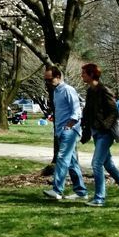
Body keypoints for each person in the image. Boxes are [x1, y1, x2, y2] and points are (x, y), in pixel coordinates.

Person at [81, 63, 119, 207]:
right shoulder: (90, 91)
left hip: (105, 133)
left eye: (84, 73)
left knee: (96, 163)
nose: (81, 75)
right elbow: (87, 112)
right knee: (108, 165)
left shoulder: (104, 90)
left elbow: (114, 111)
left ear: (92, 74)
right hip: (96, 132)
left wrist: (105, 126)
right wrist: (85, 127)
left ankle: (99, 198)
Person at [42, 66, 89, 202]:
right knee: (72, 162)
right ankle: (81, 191)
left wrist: (68, 126)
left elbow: (76, 111)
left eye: (49, 80)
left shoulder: (69, 90)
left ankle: (57, 190)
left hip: (69, 130)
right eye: (45, 80)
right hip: (60, 130)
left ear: (58, 77)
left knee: (62, 158)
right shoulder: (56, 92)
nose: (47, 83)